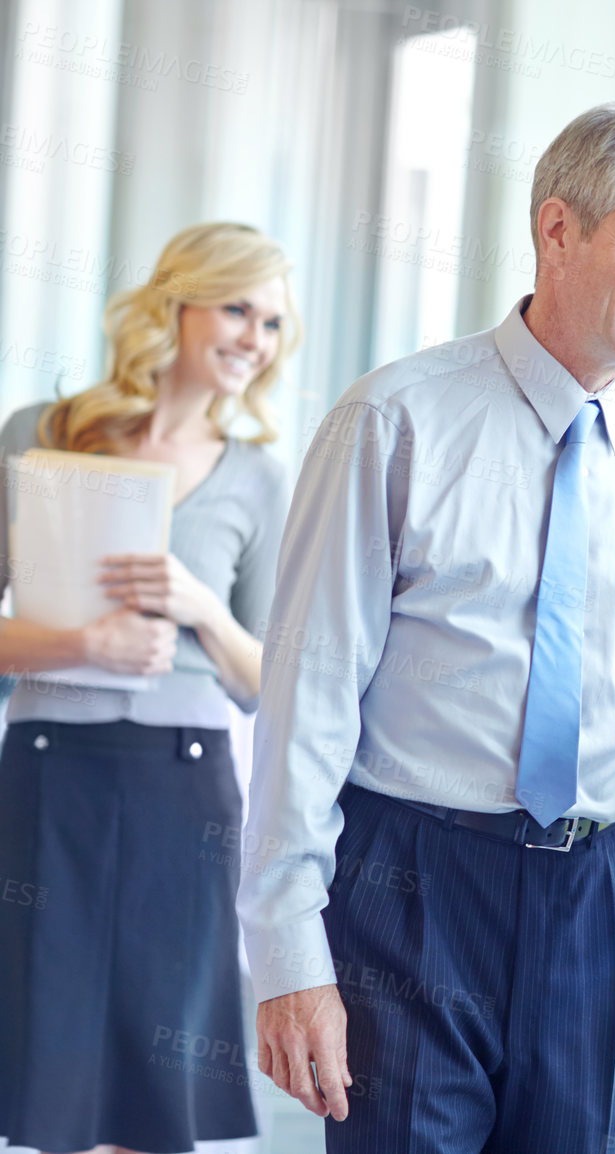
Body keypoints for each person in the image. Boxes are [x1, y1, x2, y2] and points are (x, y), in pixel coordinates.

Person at [236, 102, 615, 1154]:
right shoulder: (394, 420)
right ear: (558, 232)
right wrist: (288, 956)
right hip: (411, 885)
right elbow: (307, 698)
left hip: (599, 892)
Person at [0, 222, 299, 1154]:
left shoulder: (259, 478)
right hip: (52, 773)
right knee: (49, 1050)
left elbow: (271, 685)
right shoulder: (42, 436)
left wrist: (203, 609)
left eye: (275, 323)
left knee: (157, 1071)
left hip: (186, 781)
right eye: (238, 308)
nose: (257, 337)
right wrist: (80, 641)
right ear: (176, 304)